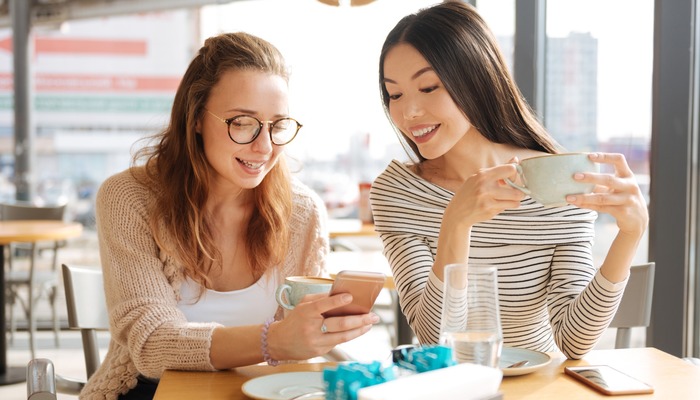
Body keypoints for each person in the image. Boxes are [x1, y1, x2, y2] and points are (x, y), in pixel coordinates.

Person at [82, 32, 379, 400]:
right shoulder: (129, 198)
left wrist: (325, 332)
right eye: (242, 122)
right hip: (151, 392)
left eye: (278, 125)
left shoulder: (303, 212)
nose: (264, 146)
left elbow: (299, 353)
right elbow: (151, 344)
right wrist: (273, 341)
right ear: (195, 118)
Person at [369, 2, 648, 360]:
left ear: (474, 79)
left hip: (539, 388)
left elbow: (575, 341)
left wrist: (630, 235)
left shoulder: (557, 180)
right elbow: (436, 340)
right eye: (395, 94)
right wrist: (456, 223)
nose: (408, 112)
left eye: (427, 87)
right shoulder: (398, 193)